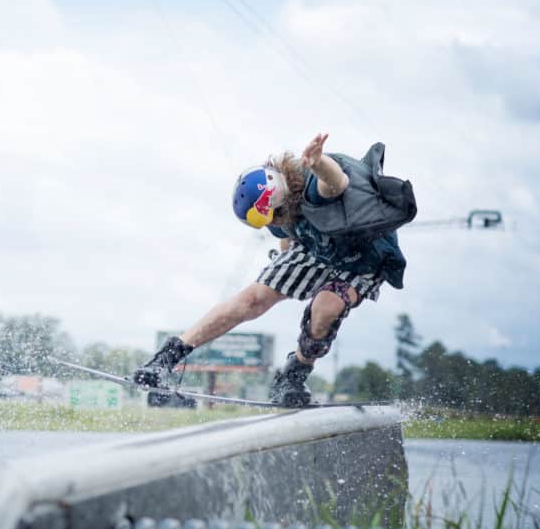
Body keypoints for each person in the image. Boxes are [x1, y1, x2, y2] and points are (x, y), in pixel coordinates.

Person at [132, 132, 409, 407]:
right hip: (319, 248)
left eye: (272, 215)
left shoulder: (310, 188)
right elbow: (285, 236)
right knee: (253, 298)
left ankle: (295, 372)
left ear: (278, 198)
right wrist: (281, 273)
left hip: (363, 259)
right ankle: (166, 359)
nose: (274, 221)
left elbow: (336, 183)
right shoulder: (278, 213)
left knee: (325, 307)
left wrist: (317, 162)